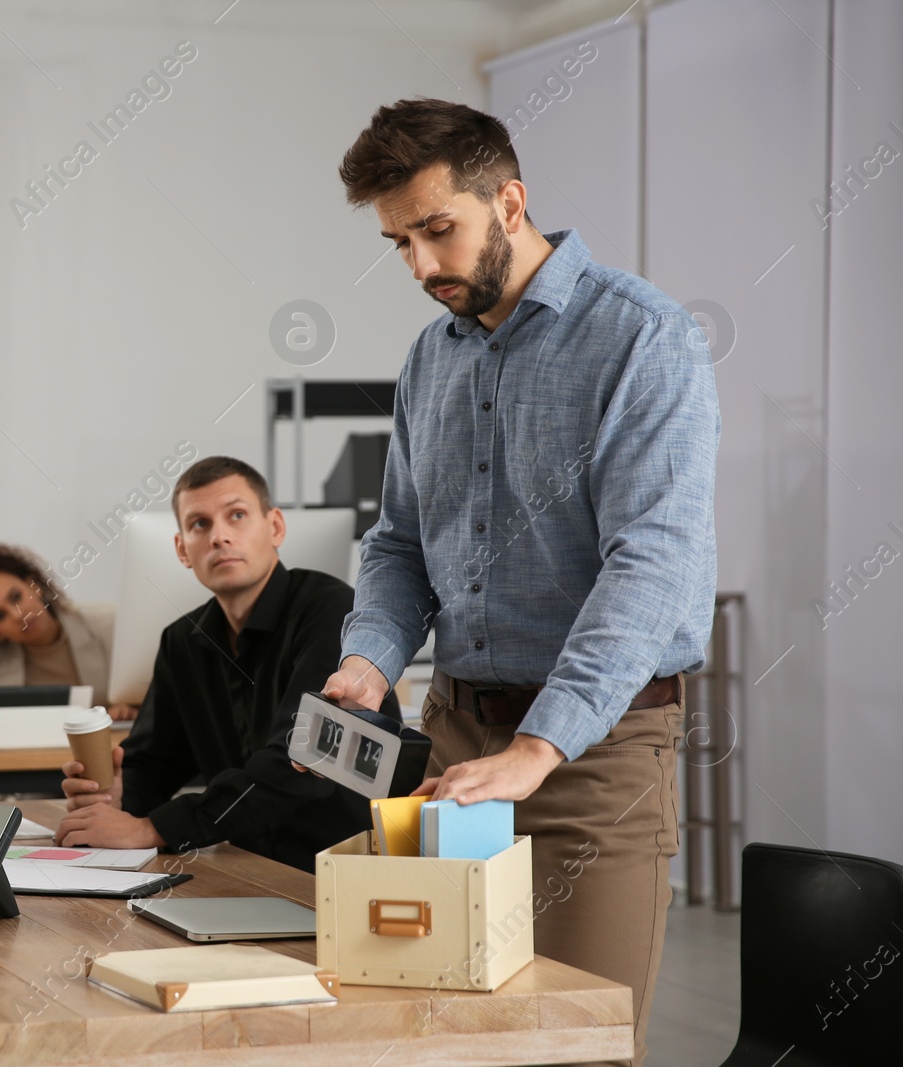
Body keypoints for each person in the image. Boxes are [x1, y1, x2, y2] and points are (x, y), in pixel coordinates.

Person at [321, 99, 718, 1067]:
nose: (420, 266)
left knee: (571, 1042)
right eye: (397, 243)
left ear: (508, 200)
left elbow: (651, 564)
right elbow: (401, 544)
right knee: (438, 1036)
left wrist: (540, 745)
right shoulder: (430, 358)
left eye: (436, 230)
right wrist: (368, 659)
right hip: (455, 737)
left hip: (595, 751)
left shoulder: (641, 339)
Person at [55, 456, 398, 870]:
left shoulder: (334, 613)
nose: (219, 536)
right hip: (247, 869)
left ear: (275, 527)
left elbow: (302, 763)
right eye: (200, 524)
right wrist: (115, 793)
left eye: (236, 515)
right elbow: (158, 760)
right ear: (182, 549)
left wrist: (154, 829)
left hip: (347, 870)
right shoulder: (182, 641)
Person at [0, 542, 130, 718]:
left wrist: (132, 709)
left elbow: (148, 691)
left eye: (16, 597)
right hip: (31, 756)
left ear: (34, 586)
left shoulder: (108, 628)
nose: (17, 615)